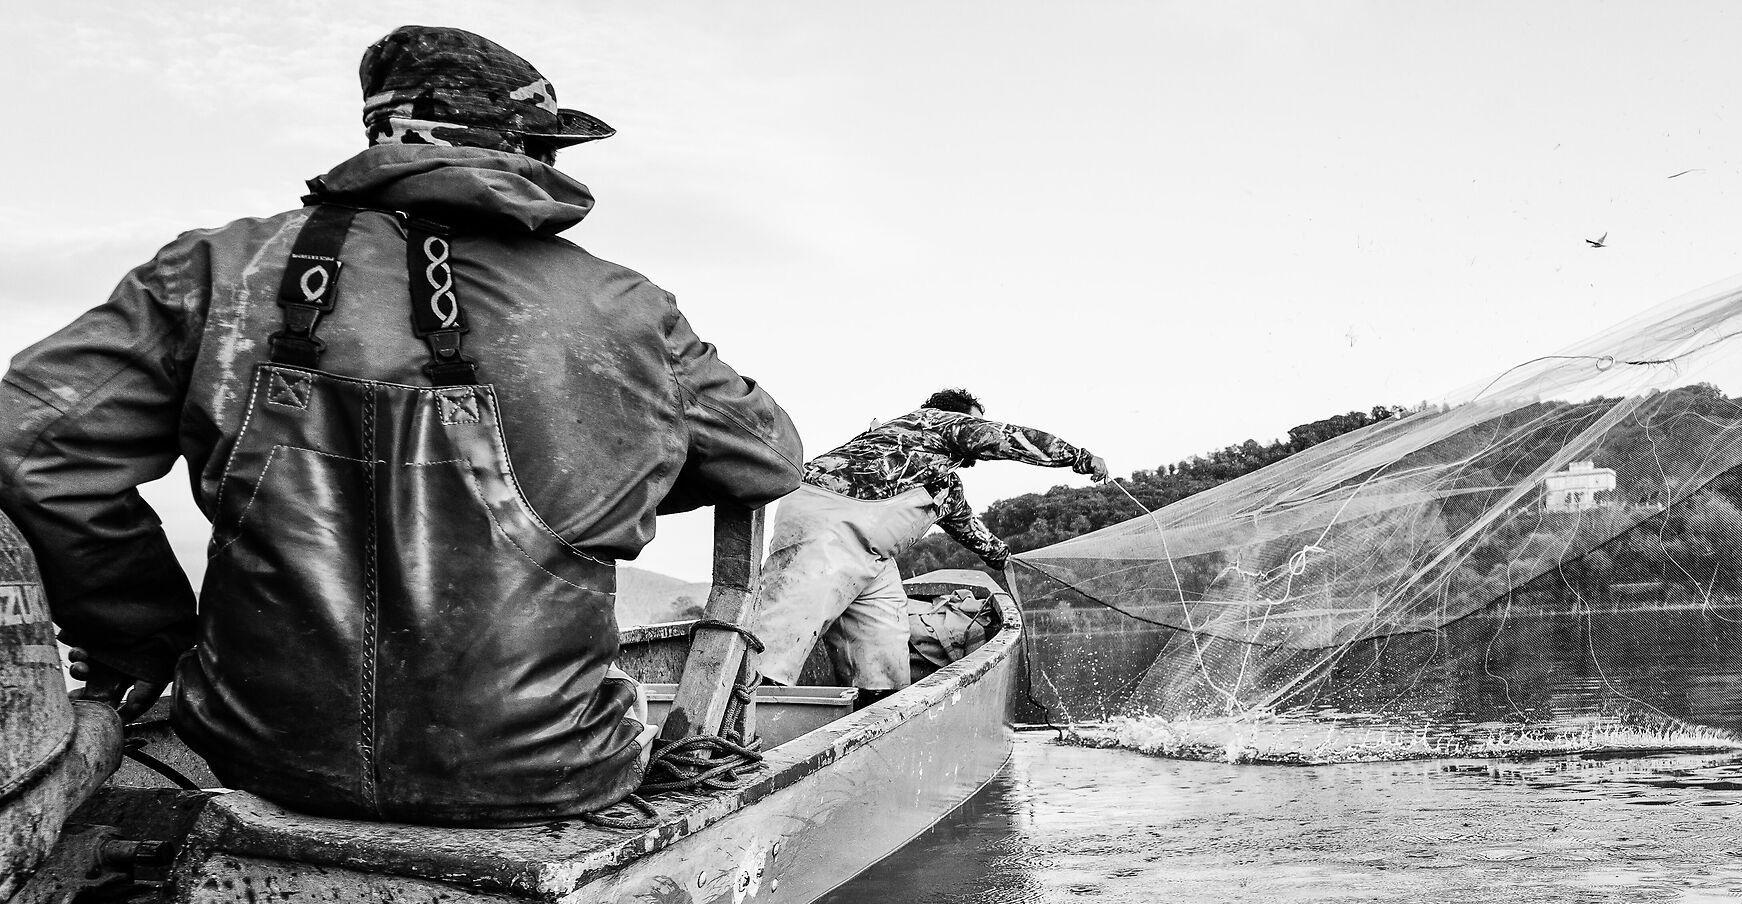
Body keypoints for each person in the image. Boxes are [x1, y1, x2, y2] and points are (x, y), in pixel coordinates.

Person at [0, 26, 805, 823]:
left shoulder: (222, 270)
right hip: (548, 766)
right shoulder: (623, 307)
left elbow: (30, 446)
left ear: (382, 137)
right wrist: (597, 472)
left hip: (258, 750)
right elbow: (768, 459)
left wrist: (143, 635)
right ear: (529, 151)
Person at [752, 390, 1105, 701]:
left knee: (885, 650)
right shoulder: (929, 422)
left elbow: (968, 528)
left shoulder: (944, 485)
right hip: (825, 522)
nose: (976, 438)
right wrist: (1078, 457)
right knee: (781, 636)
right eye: (974, 423)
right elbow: (1006, 437)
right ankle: (742, 719)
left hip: (873, 557)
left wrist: (1003, 557)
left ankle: (876, 715)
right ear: (957, 417)